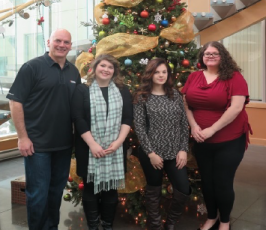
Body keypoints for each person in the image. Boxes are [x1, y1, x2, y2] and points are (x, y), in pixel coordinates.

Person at [6, 29, 81, 230]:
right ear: (49, 42)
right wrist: (22, 137)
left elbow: (77, 107)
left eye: (66, 42)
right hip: (37, 145)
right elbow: (15, 102)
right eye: (58, 40)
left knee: (56, 192)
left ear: (70, 46)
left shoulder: (74, 72)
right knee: (38, 194)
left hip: (64, 145)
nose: (62, 45)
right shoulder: (32, 67)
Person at [181, 41, 252, 230]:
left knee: (222, 182)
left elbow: (237, 107)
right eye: (206, 53)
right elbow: (186, 103)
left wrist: (211, 129)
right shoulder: (194, 76)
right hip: (201, 139)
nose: (210, 56)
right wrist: (194, 126)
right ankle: (211, 218)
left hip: (229, 140)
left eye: (215, 53)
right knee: (207, 180)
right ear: (202, 57)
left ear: (223, 56)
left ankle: (225, 222)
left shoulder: (234, 77)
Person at [71, 54, 133, 230]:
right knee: (90, 188)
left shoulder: (123, 90)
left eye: (110, 67)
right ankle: (93, 225)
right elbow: (78, 118)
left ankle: (107, 225)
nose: (106, 70)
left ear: (115, 71)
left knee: (111, 189)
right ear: (95, 68)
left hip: (115, 148)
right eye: (103, 66)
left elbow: (127, 118)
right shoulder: (82, 90)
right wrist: (93, 144)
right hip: (88, 147)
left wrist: (119, 142)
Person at [133, 58, 191, 230]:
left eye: (164, 72)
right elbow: (140, 127)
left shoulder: (176, 95)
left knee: (183, 189)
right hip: (152, 154)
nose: (160, 75)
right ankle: (156, 225)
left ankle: (170, 223)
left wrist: (183, 149)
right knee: (154, 190)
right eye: (157, 72)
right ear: (150, 74)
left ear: (168, 74)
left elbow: (183, 124)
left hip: (175, 152)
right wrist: (151, 153)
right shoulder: (141, 96)